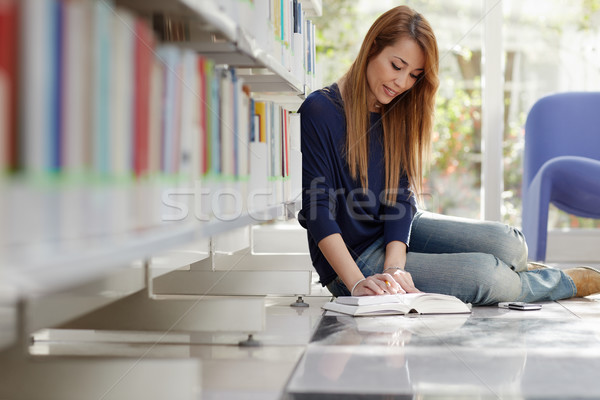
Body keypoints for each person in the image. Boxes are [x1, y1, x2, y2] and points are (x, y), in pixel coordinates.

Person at [297, 5, 600, 305]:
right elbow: (317, 210)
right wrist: (357, 282)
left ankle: (512, 273)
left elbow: (400, 198)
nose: (402, 83)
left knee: (510, 243)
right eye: (396, 66)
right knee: (488, 277)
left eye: (414, 75)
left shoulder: (395, 109)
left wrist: (395, 267)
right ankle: (559, 282)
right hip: (353, 263)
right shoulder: (320, 110)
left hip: (397, 233)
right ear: (372, 47)